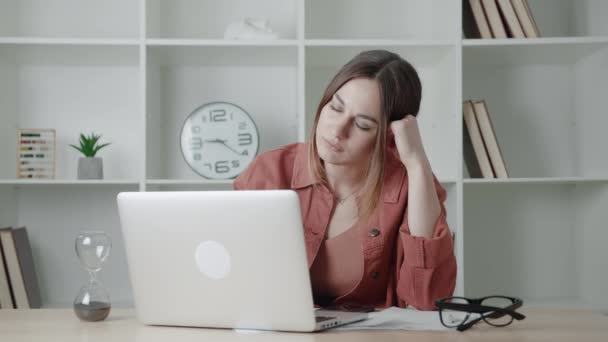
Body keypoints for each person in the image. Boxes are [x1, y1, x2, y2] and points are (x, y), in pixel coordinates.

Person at [233, 49, 456, 311]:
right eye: (335, 107)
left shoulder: (410, 186)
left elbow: (428, 300)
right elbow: (232, 274)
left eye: (362, 125)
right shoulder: (269, 171)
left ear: (389, 136)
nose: (337, 130)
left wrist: (417, 164)